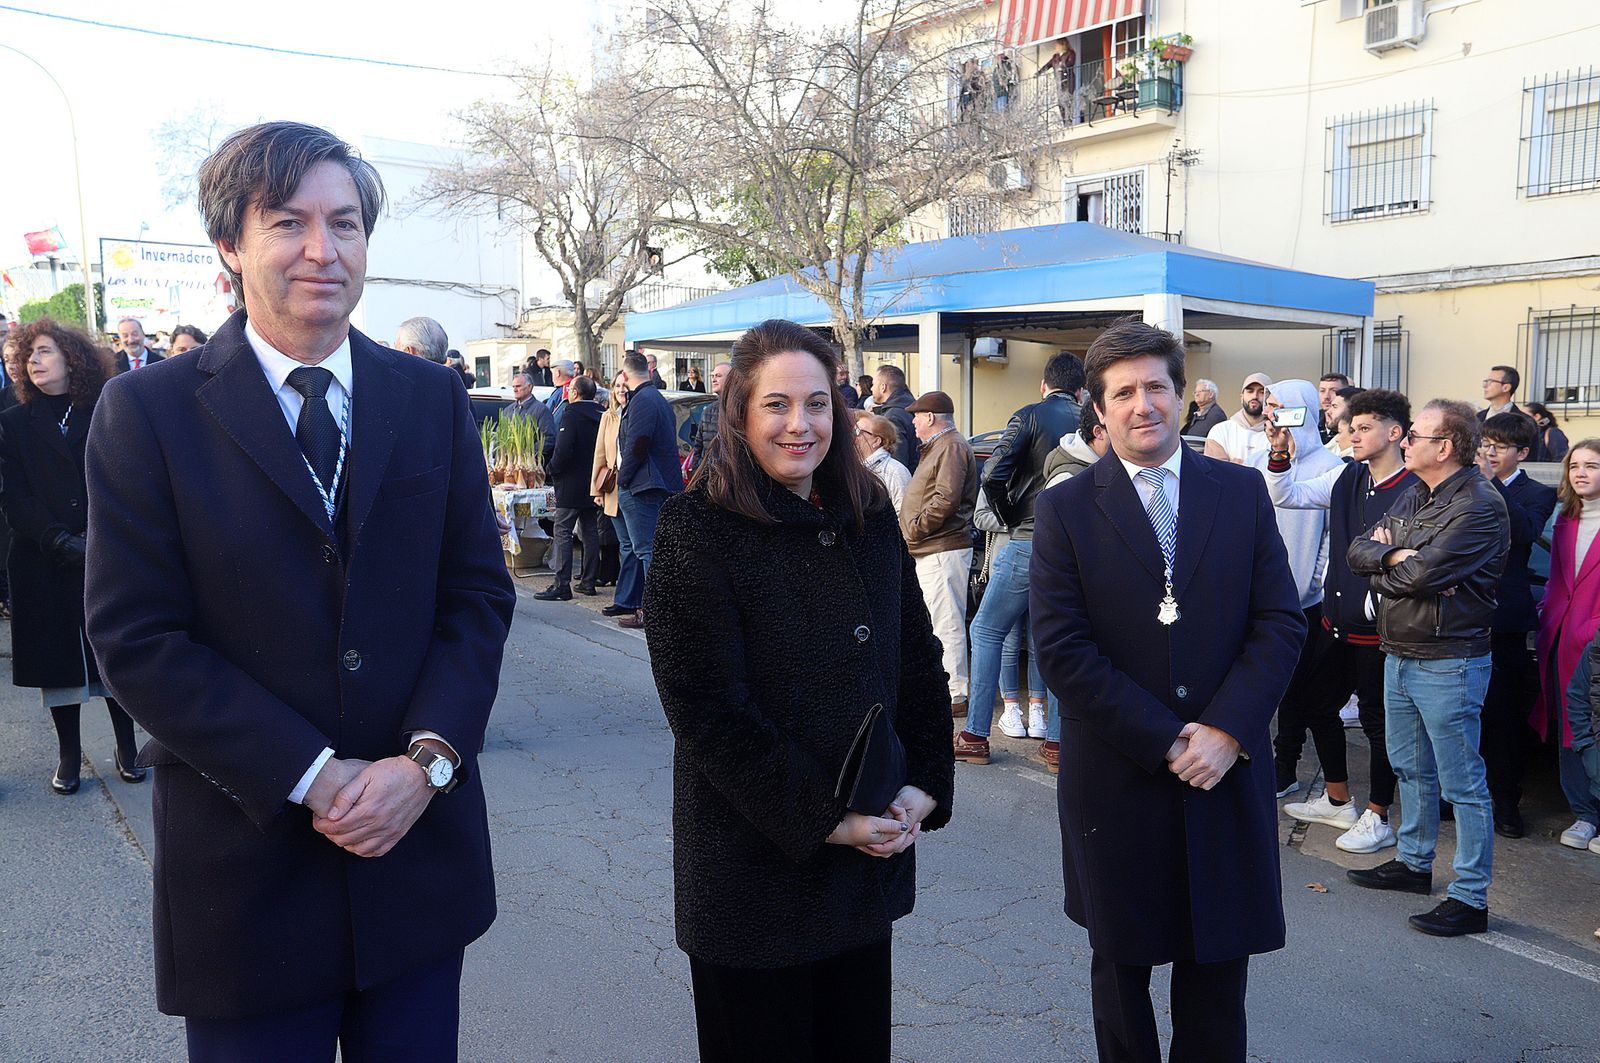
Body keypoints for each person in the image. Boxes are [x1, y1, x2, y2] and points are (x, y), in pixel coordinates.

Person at [82, 121, 516, 1060]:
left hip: (413, 868)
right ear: (229, 248)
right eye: (289, 222)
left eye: (346, 223)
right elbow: (136, 640)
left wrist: (426, 763)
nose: (324, 249)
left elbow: (475, 599)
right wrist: (315, 777)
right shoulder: (148, 413)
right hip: (247, 882)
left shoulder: (430, 399)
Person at [643, 317, 954, 1063]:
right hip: (752, 876)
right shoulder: (697, 528)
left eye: (817, 403)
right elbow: (708, 711)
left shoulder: (867, 515)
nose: (800, 424)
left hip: (861, 873)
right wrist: (826, 819)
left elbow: (915, 657)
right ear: (741, 414)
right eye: (776, 404)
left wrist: (924, 782)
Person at [1030, 320, 1303, 1063]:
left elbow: (1279, 620)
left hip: (1225, 769)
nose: (1141, 403)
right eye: (1124, 391)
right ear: (1099, 408)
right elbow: (1062, 648)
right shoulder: (1065, 508)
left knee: (1217, 972)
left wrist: (1227, 730)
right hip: (1120, 774)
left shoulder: (1240, 492)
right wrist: (1167, 737)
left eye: (1156, 386)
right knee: (1121, 970)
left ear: (1182, 398)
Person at [1346, 399, 1509, 937]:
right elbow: (1359, 551)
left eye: (1415, 435)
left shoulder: (1479, 505)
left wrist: (1396, 560)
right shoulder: (1420, 493)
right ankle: (1415, 864)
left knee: (1462, 782)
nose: (1405, 442)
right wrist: (1396, 558)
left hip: (1450, 659)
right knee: (1410, 766)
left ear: (1444, 446)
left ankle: (1470, 896)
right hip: (1401, 651)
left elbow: (1423, 576)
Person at [1263, 389, 1415, 854]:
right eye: (1351, 426)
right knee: (1314, 704)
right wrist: (1278, 449)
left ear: (1395, 433)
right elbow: (1286, 494)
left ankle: (1379, 814)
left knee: (1377, 721)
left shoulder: (1414, 489)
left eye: (1364, 427)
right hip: (1335, 621)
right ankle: (1337, 798)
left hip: (1380, 629)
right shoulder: (1347, 475)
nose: (1351, 434)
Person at [1, 318, 145, 794]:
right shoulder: (14, 421)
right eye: (28, 356)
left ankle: (128, 746)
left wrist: (97, 536)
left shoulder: (107, 407)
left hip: (105, 551)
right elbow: (15, 497)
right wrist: (58, 540)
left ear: (71, 357)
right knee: (58, 663)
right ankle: (68, 757)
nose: (33, 362)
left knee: (113, 653)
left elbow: (125, 476)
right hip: (44, 559)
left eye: (43, 351)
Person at [955, 352, 1082, 761]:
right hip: (1076, 549)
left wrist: (1009, 517)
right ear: (1080, 390)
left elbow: (992, 474)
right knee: (1060, 640)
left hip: (1026, 539)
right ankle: (1058, 744)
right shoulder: (1093, 420)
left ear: (1045, 386)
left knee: (987, 631)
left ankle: (974, 737)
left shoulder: (1029, 415)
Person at [1476, 413, 1557, 838]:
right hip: (1460, 618)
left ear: (1522, 452)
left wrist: (1489, 484)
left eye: (1499, 446)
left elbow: (1525, 530)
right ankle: (1455, 798)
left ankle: (1506, 802)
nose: (1488, 452)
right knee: (1460, 717)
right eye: (1485, 443)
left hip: (1505, 619)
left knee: (1504, 717)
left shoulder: (1537, 492)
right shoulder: (1465, 483)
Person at [1533, 440, 1600, 853]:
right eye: (1574, 466)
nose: (1580, 473)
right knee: (1569, 727)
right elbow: (1559, 582)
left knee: (1596, 729)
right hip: (1560, 635)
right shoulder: (1565, 520)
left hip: (1595, 643)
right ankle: (1585, 814)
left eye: (1591, 465)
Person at [901, 390, 976, 720]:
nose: (913, 422)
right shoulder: (941, 446)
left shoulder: (951, 446)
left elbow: (945, 500)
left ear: (931, 418)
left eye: (917, 416)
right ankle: (947, 689)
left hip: (942, 548)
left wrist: (914, 529)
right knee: (938, 621)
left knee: (946, 623)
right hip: (934, 548)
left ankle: (955, 694)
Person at [614, 350, 685, 629]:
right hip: (653, 482)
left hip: (643, 485)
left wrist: (623, 479)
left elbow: (638, 443)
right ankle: (653, 610)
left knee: (646, 551)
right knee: (650, 550)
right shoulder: (655, 397)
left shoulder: (644, 399)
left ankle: (654, 613)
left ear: (626, 374)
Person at [537, 375, 602, 601]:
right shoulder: (601, 414)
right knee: (590, 531)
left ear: (575, 393)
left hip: (571, 482)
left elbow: (563, 449)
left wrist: (552, 469)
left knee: (563, 530)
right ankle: (589, 580)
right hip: (593, 482)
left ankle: (561, 584)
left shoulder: (572, 413)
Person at [592, 371, 630, 597]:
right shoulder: (608, 416)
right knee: (624, 544)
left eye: (625, 385)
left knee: (631, 546)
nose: (621, 389)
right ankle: (625, 595)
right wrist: (597, 489)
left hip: (633, 485)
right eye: (617, 386)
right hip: (613, 486)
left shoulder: (634, 413)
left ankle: (627, 595)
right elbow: (599, 454)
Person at [1204, 372, 1273, 465]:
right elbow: (1216, 472)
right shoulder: (1220, 431)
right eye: (1250, 391)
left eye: (1262, 392)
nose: (1255, 396)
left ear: (1270, 398)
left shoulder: (1278, 435)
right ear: (1241, 397)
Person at [854, 412, 910, 516]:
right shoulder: (854, 469)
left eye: (858, 432)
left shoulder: (895, 471)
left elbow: (903, 515)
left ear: (876, 441)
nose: (853, 437)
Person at [870, 365, 919, 471]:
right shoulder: (908, 407)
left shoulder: (893, 417)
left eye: (873, 384)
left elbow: (897, 462)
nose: (871, 388)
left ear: (883, 387)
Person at [508, 371, 557, 464]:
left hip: (531, 467)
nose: (515, 390)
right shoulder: (508, 411)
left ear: (530, 387)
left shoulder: (541, 410)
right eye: (513, 387)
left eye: (518, 386)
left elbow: (549, 439)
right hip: (509, 467)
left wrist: (527, 453)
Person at [690, 362, 730, 471]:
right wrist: (697, 472)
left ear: (732, 379)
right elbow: (698, 447)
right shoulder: (708, 410)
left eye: (718, 376)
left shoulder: (741, 410)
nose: (714, 379)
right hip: (708, 477)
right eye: (713, 376)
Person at [1034, 38, 1077, 124]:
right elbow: (1048, 65)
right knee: (1060, 101)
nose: (1055, 46)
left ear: (1062, 45)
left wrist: (1061, 63)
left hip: (1068, 79)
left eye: (1057, 45)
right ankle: (1064, 121)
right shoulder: (1055, 57)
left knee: (1068, 99)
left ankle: (1069, 120)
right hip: (1059, 80)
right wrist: (1038, 73)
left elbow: (1070, 63)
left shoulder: (1070, 53)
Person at [1317, 372, 1351, 443]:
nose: (1326, 396)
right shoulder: (1312, 421)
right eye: (1322, 391)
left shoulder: (1352, 425)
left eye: (1333, 391)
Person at [547, 359, 575, 425]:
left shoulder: (564, 391)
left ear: (558, 373)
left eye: (553, 373)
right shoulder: (575, 388)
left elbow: (554, 418)